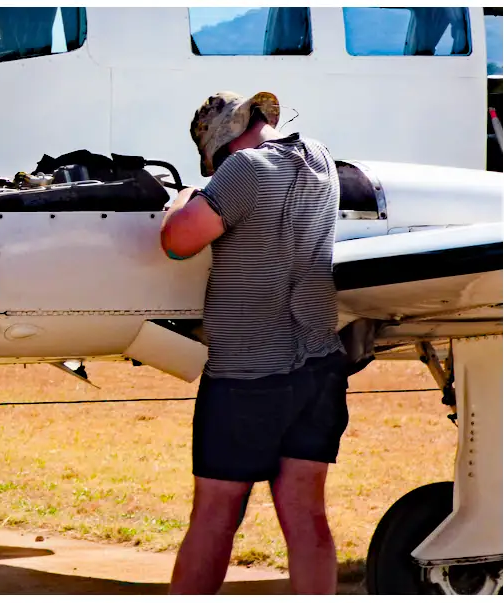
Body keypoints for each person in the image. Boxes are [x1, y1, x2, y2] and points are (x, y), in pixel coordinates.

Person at [160, 91, 349, 595]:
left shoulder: (242, 169)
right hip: (319, 363)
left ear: (221, 145)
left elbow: (178, 240)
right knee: (308, 516)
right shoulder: (319, 157)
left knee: (216, 516)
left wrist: (185, 198)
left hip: (247, 375)